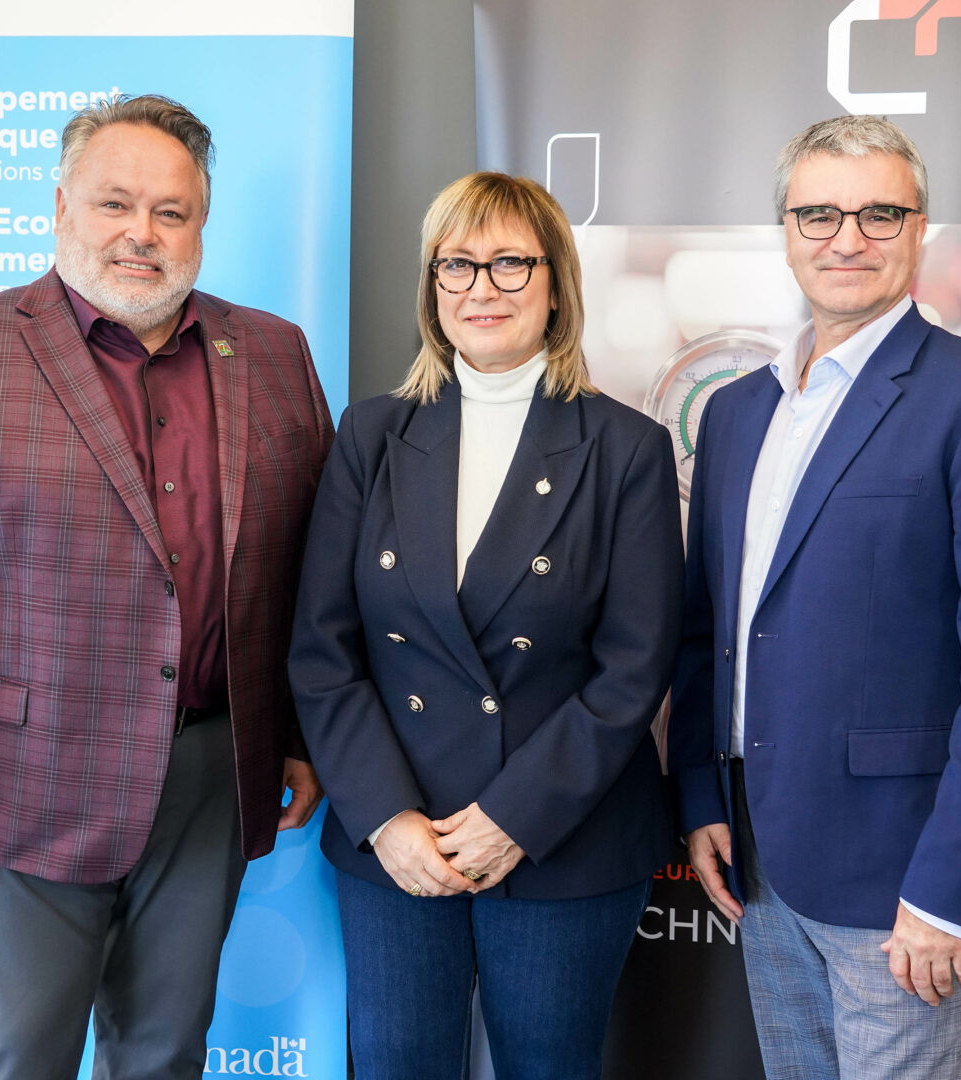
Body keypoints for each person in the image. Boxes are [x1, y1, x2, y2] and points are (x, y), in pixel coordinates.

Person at [0, 94, 333, 1079]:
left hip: (211, 776)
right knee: (19, 1054)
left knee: (165, 1051)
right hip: (28, 781)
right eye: (114, 204)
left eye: (170, 212)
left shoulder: (272, 353)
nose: (140, 234)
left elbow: (303, 567)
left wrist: (295, 735)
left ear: (200, 224)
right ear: (62, 206)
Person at [669, 115, 961, 1079]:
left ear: (920, 227)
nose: (846, 237)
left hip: (902, 881)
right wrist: (700, 792)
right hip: (759, 861)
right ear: (785, 230)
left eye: (878, 213)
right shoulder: (738, 409)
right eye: (818, 213)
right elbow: (709, 630)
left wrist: (949, 892)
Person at [289, 172, 682, 1080]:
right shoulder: (372, 435)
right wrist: (387, 817)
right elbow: (323, 652)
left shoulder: (624, 448)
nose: (481, 288)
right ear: (432, 287)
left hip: (562, 835)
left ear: (556, 285)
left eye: (510, 263)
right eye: (456, 265)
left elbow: (635, 666)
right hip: (398, 837)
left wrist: (514, 816)